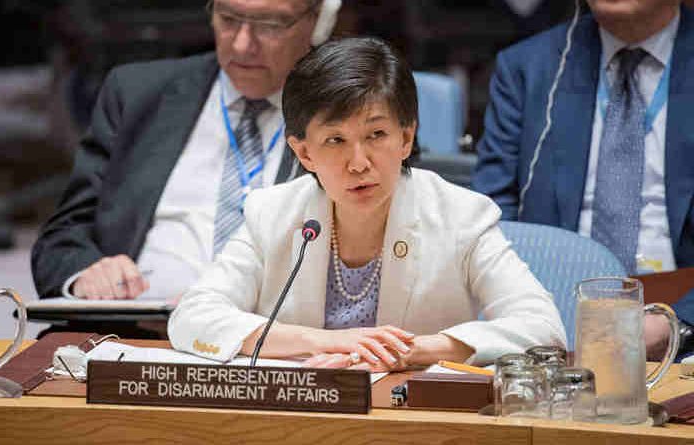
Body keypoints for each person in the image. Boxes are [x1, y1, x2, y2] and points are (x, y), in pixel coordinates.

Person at [168, 37, 566, 369]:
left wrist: (414, 351)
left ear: (406, 139)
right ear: (304, 153)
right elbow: (193, 317)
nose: (359, 163)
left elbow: (543, 328)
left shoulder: (462, 215)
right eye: (335, 140)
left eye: (376, 134)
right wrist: (324, 342)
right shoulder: (272, 213)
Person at [31, 0, 342, 308]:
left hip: (268, 338)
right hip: (134, 327)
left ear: (315, 21)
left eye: (270, 25)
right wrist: (87, 273)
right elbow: (61, 240)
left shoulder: (348, 113)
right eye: (229, 19)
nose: (243, 44)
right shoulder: (137, 92)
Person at [472, 0, 694, 359]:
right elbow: (491, 223)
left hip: (682, 325)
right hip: (554, 324)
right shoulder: (529, 67)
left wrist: (679, 322)